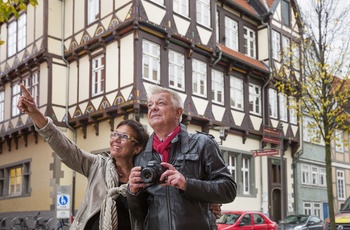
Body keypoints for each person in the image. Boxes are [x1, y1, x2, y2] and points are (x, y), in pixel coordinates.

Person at [17, 84, 149, 230]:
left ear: (137, 148)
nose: (116, 139)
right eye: (115, 134)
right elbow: (66, 149)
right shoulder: (97, 165)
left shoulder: (143, 177)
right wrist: (35, 114)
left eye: (124, 136)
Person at [127, 85, 237, 230]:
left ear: (178, 112)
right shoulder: (141, 157)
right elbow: (140, 214)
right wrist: (133, 193)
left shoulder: (203, 144)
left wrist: (187, 184)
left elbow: (228, 190)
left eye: (161, 103)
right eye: (150, 105)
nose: (153, 108)